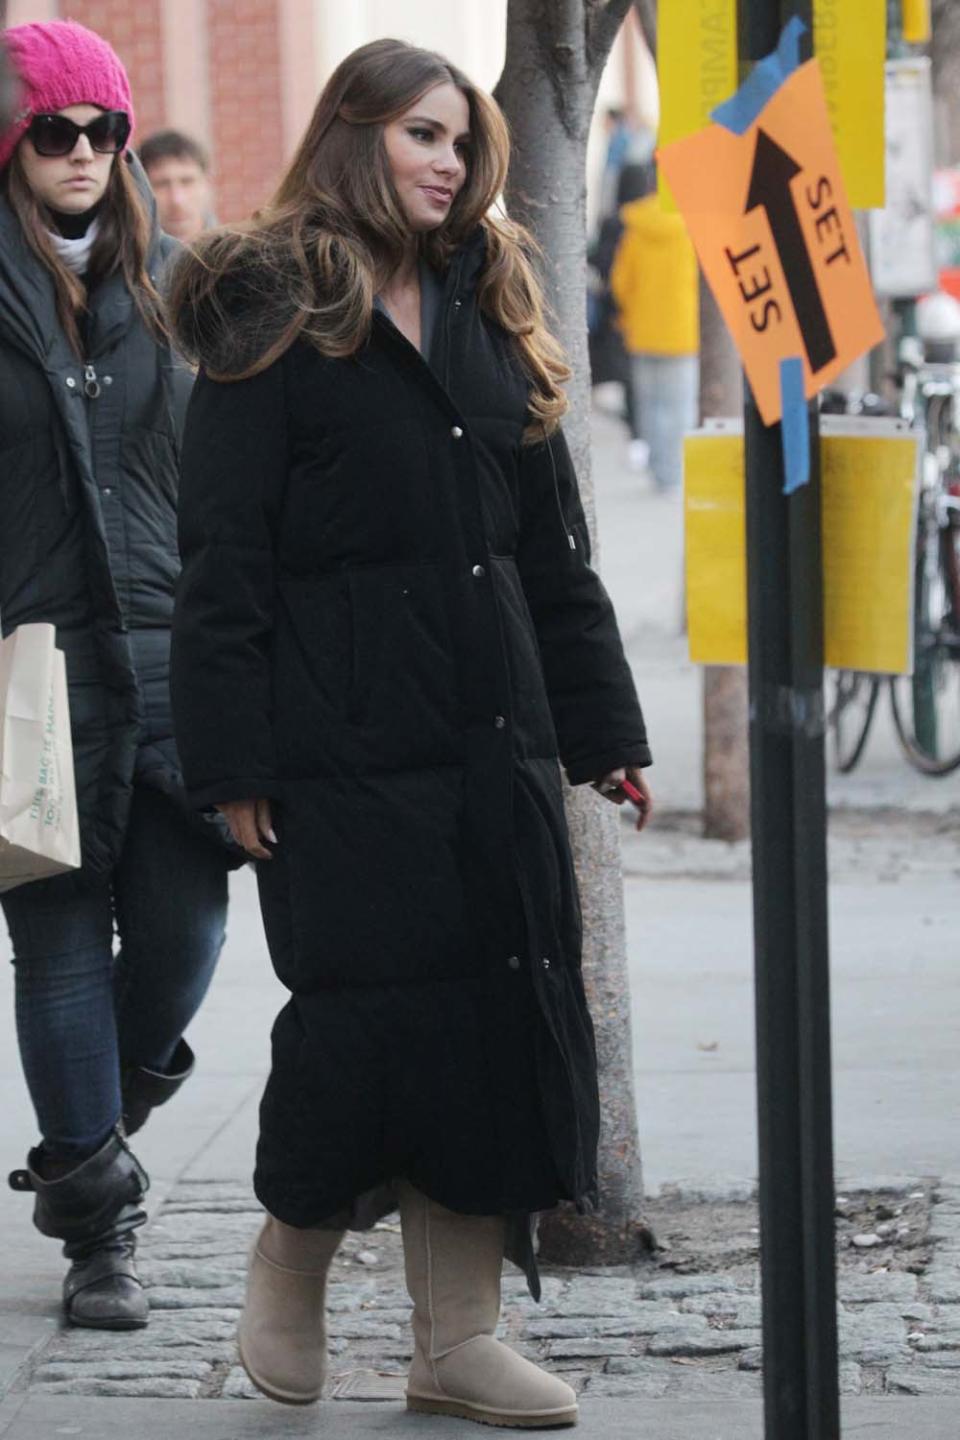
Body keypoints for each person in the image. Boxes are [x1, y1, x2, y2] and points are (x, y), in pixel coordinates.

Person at [168, 38, 653, 1429]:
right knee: (363, 1027)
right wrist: (236, 766)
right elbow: (223, 566)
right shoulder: (271, 308)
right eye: (423, 136)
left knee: (495, 1019)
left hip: (489, 737)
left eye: (465, 144)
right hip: (337, 745)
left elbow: (551, 552)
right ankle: (293, 1253)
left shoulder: (487, 298)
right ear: (352, 134)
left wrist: (603, 728)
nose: (449, 164)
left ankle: (457, 1338)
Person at [0, 20, 237, 1332]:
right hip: (26, 670)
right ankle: (100, 1228)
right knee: (55, 952)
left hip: (171, 658)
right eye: (54, 130)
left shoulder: (179, 286)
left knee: (188, 927)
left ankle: (101, 1115)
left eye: (103, 130)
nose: (84, 153)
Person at [610, 163, 700, 492]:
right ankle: (675, 476)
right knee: (680, 407)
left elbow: (621, 281)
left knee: (651, 406)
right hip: (682, 332)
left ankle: (659, 471)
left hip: (643, 330)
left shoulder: (636, 228)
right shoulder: (691, 230)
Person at [139, 128, 215, 245]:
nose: (177, 200)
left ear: (207, 183)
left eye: (187, 182)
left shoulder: (237, 256)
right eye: (162, 184)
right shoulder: (121, 259)